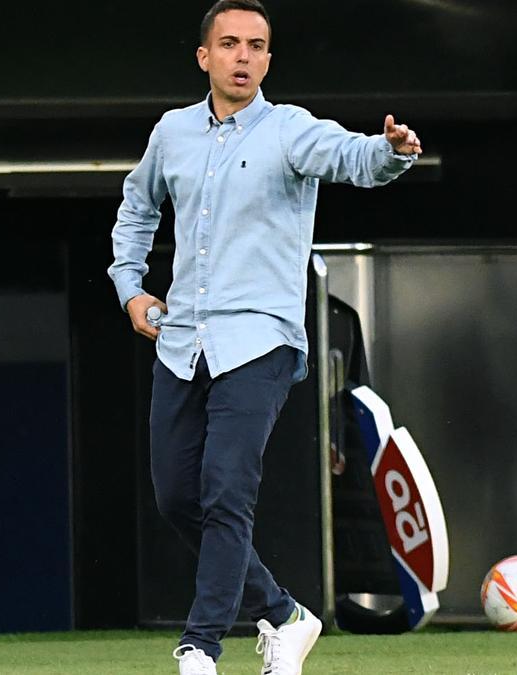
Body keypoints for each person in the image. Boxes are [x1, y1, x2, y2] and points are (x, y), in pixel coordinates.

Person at [107, 1, 420, 672]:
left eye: (256, 45)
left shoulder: (288, 130)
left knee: (225, 489)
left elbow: (349, 155)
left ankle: (200, 645)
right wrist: (130, 286)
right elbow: (136, 208)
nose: (243, 56)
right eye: (230, 44)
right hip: (182, 339)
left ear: (269, 59)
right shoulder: (172, 132)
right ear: (205, 56)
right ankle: (283, 612)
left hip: (261, 341)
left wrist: (389, 153)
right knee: (176, 496)